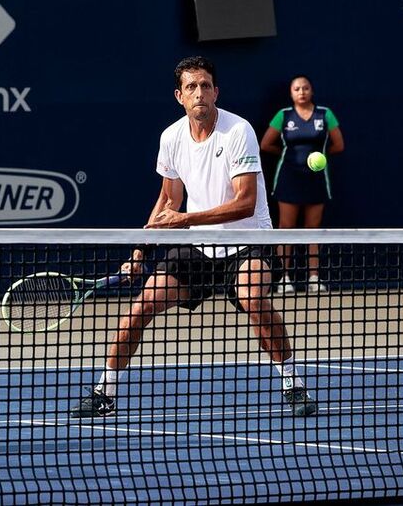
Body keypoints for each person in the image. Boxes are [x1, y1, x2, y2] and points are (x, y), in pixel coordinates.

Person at [70, 56, 318, 419]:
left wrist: (185, 220)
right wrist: (140, 251)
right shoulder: (171, 138)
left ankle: (293, 384)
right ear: (179, 96)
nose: (199, 93)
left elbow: (245, 203)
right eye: (191, 87)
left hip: (249, 243)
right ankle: (105, 392)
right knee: (139, 309)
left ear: (216, 91)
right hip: (198, 248)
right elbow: (167, 200)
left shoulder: (238, 131)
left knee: (254, 301)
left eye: (205, 86)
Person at [260, 75, 344, 294]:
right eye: (297, 88)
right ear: (291, 93)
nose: (302, 92)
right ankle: (283, 279)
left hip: (316, 180)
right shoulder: (283, 115)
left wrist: (321, 157)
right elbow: (266, 144)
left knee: (313, 230)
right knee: (286, 229)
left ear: (311, 91)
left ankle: (314, 278)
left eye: (305, 88)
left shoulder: (325, 115)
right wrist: (286, 157)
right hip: (289, 179)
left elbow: (338, 144)